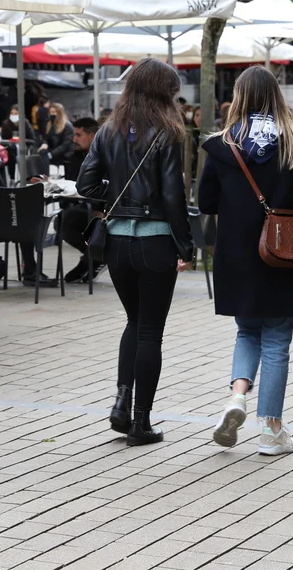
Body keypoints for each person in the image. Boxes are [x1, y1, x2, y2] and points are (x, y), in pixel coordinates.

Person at [199, 66, 293, 456]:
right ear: (276, 96)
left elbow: (206, 202)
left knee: (247, 330)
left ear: (238, 96)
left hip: (237, 252)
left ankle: (237, 396)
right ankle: (271, 431)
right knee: (277, 339)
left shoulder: (221, 144)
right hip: (281, 251)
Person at [76, 58, 194, 447]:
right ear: (164, 92)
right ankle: (141, 422)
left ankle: (120, 403)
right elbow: (174, 196)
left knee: (133, 322)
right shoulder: (169, 131)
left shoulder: (108, 129)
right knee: (150, 332)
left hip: (116, 243)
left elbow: (84, 184)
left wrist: (117, 199)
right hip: (155, 241)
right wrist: (186, 244)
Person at [61, 117, 102, 283]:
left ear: (91, 136)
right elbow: (72, 182)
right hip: (83, 204)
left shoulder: (104, 155)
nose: (74, 139)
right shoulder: (78, 155)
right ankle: (93, 258)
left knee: (67, 219)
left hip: (100, 208)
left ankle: (92, 258)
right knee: (61, 220)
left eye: (78, 135)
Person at [39, 103, 75, 172]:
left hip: (65, 152)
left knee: (45, 156)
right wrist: (44, 144)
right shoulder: (51, 125)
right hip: (55, 150)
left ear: (60, 113)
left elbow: (65, 145)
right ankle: (44, 174)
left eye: (54, 112)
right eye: (50, 112)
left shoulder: (67, 126)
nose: (51, 114)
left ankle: (45, 173)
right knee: (42, 152)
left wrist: (51, 154)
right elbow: (46, 138)